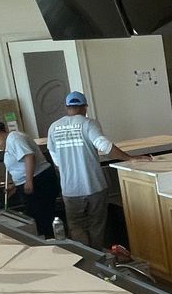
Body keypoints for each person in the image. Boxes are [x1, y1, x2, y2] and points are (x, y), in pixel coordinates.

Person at [45, 92, 135, 249]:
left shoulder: (53, 128)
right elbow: (105, 146)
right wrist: (130, 158)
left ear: (67, 108)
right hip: (94, 186)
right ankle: (98, 258)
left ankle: (86, 259)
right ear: (84, 107)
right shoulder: (88, 124)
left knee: (76, 226)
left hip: (70, 190)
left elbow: (57, 162)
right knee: (96, 225)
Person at [0, 120, 60, 236]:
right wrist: (15, 186)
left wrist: (28, 181)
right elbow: (20, 168)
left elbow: (29, 157)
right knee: (36, 217)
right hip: (31, 180)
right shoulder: (9, 144)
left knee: (43, 217)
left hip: (39, 180)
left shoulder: (14, 138)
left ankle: (51, 240)